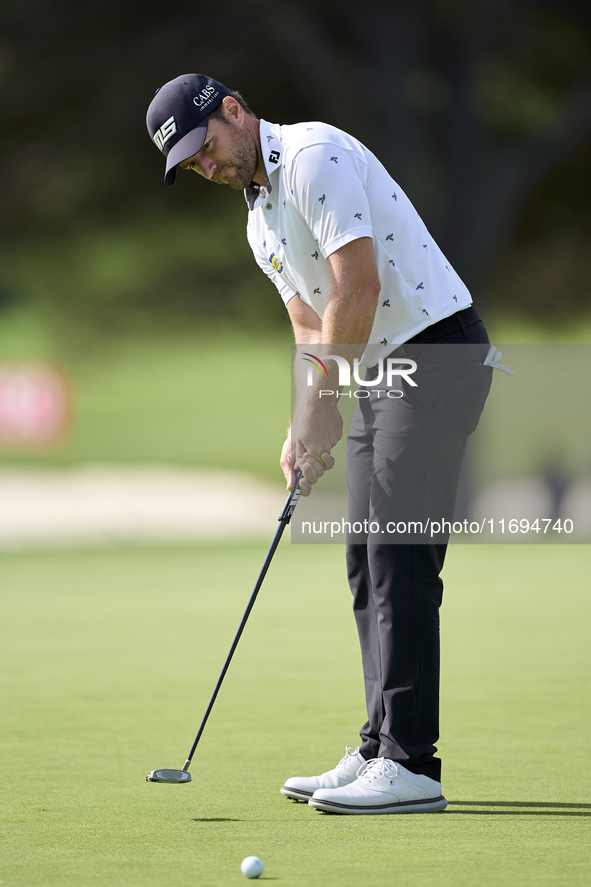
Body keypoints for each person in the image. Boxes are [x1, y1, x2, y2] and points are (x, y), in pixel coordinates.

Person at [146, 74, 493, 815]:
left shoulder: (312, 157)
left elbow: (356, 287)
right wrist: (303, 422)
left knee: (398, 557)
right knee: (364, 561)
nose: (207, 168)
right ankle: (378, 745)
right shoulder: (257, 220)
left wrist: (324, 402)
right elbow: (310, 324)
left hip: (433, 353)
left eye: (204, 148)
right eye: (193, 166)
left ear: (232, 111)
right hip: (379, 371)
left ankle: (411, 764)